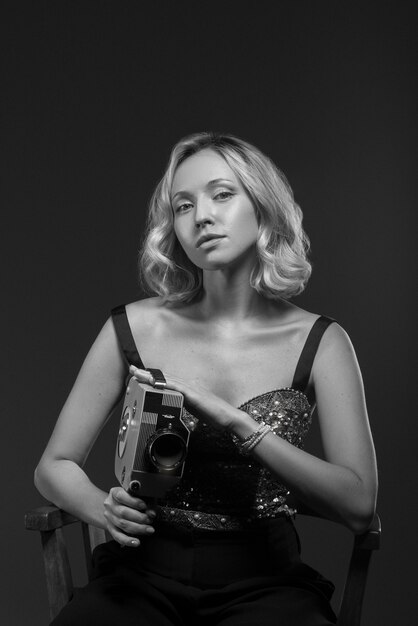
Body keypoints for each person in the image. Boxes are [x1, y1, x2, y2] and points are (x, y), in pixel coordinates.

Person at [34, 131, 378, 625]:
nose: (202, 217)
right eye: (182, 205)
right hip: (142, 574)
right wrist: (99, 506)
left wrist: (239, 424)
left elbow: (359, 507)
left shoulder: (322, 341)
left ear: (262, 206)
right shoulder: (132, 325)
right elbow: (53, 465)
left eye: (222, 194)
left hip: (266, 580)